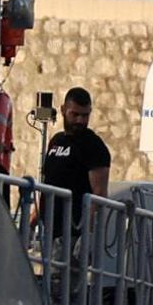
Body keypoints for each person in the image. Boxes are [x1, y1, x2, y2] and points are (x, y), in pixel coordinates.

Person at [41, 87, 111, 237]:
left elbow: (98, 195)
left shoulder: (93, 145)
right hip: (50, 230)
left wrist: (87, 236)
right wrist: (32, 222)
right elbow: (47, 183)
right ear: (63, 110)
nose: (80, 120)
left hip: (73, 232)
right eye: (75, 114)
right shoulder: (56, 141)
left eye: (85, 115)